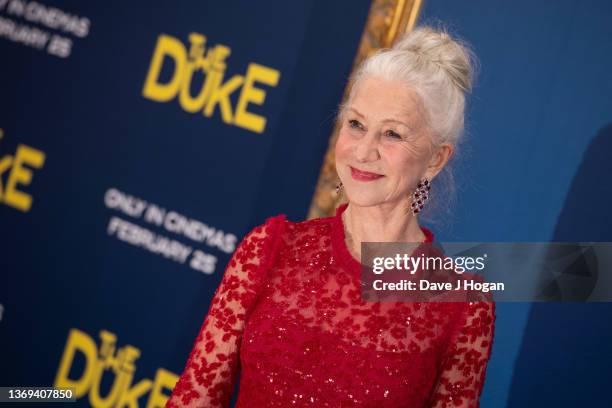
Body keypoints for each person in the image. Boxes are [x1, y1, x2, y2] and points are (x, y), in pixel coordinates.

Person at [166, 26, 496, 408]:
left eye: (392, 134)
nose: (364, 150)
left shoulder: (462, 306)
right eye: (355, 124)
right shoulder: (268, 250)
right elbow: (195, 398)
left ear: (436, 159)